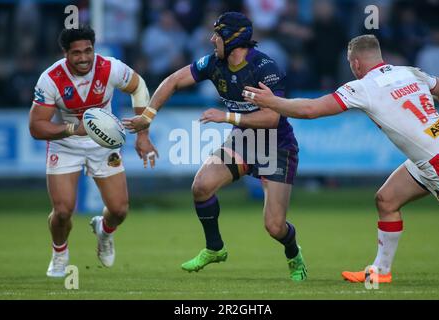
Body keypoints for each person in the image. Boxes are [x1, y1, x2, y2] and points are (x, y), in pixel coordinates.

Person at [242, 34, 439, 283]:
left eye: (351, 64)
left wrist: (273, 102)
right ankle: (380, 272)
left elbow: (310, 110)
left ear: (356, 64)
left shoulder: (362, 87)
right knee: (387, 200)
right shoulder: (411, 72)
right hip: (430, 155)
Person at [123, 12, 307, 282]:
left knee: (275, 226)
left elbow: (272, 117)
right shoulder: (213, 63)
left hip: (276, 145)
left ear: (233, 38)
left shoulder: (264, 68)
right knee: (201, 186)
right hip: (244, 139)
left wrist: (227, 116)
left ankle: (294, 253)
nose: (211, 39)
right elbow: (173, 81)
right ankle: (215, 248)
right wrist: (147, 116)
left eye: (217, 34)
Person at [29, 26, 157, 277]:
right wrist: (70, 130)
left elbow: (139, 86)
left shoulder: (109, 67)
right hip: (66, 144)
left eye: (88, 50)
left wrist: (143, 135)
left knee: (119, 210)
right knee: (64, 210)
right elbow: (36, 126)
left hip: (103, 144)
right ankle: (59, 253)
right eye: (76, 53)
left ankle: (104, 231)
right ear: (65, 54)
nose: (84, 58)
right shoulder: (51, 79)